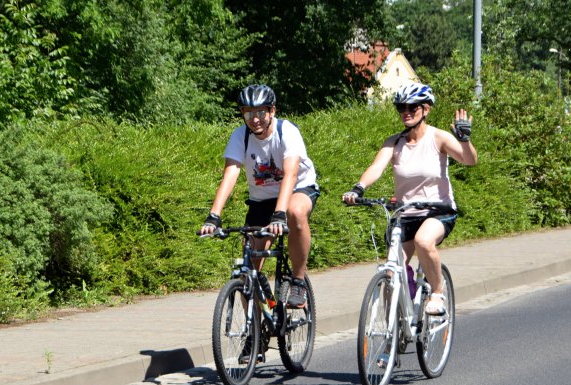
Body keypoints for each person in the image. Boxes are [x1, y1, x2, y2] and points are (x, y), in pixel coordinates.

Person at [342, 82, 477, 315]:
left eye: (412, 107)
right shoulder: (394, 142)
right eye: (401, 107)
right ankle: (395, 330)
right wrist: (358, 188)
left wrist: (464, 140)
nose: (406, 112)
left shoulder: (439, 138)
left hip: (437, 210)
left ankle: (437, 292)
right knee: (391, 270)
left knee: (424, 242)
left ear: (426, 109)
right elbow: (376, 167)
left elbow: (469, 160)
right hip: (405, 212)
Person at [200, 84, 320, 308]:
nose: (254, 119)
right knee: (248, 274)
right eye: (248, 112)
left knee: (295, 212)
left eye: (260, 112)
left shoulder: (287, 132)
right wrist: (213, 216)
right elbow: (231, 174)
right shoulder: (240, 136)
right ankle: (254, 336)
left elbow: (291, 174)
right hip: (261, 200)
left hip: (297, 189)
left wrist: (279, 214)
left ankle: (298, 280)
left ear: (272, 111)